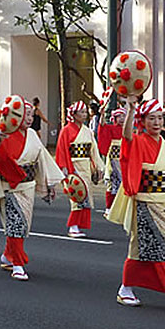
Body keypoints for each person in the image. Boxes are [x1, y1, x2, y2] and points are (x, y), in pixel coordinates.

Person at [107, 97, 165, 310]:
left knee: (150, 249)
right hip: (146, 204)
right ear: (143, 121)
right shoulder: (138, 141)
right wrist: (130, 110)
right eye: (152, 118)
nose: (157, 123)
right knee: (159, 248)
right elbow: (126, 136)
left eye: (160, 118)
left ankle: (126, 288)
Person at [0, 101, 64, 281]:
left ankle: (7, 256)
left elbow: (42, 159)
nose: (29, 118)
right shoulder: (3, 134)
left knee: (21, 225)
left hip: (27, 186)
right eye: (25, 115)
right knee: (17, 224)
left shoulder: (32, 135)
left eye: (30, 115)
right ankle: (18, 264)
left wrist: (49, 184)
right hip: (10, 186)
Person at [55, 101, 103, 238]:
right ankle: (73, 225)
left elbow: (93, 150)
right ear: (74, 115)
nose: (84, 115)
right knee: (77, 197)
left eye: (85, 112)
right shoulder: (66, 130)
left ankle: (79, 224)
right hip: (74, 166)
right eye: (81, 112)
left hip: (86, 166)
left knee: (86, 196)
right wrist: (67, 169)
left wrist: (99, 167)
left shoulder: (87, 131)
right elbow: (62, 151)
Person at [100, 108, 126, 215]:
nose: (121, 119)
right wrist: (102, 115)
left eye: (123, 116)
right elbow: (102, 127)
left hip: (124, 161)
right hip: (113, 161)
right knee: (112, 185)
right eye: (119, 117)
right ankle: (109, 207)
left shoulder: (128, 130)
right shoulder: (110, 128)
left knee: (123, 186)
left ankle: (120, 209)